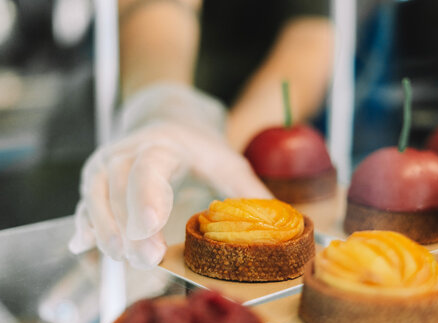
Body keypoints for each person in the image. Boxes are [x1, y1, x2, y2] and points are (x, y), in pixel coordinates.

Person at [68, 0, 333, 268]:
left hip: (256, 146)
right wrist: (165, 106)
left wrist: (215, 150)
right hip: (125, 128)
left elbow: (309, 43)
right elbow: (154, 7)